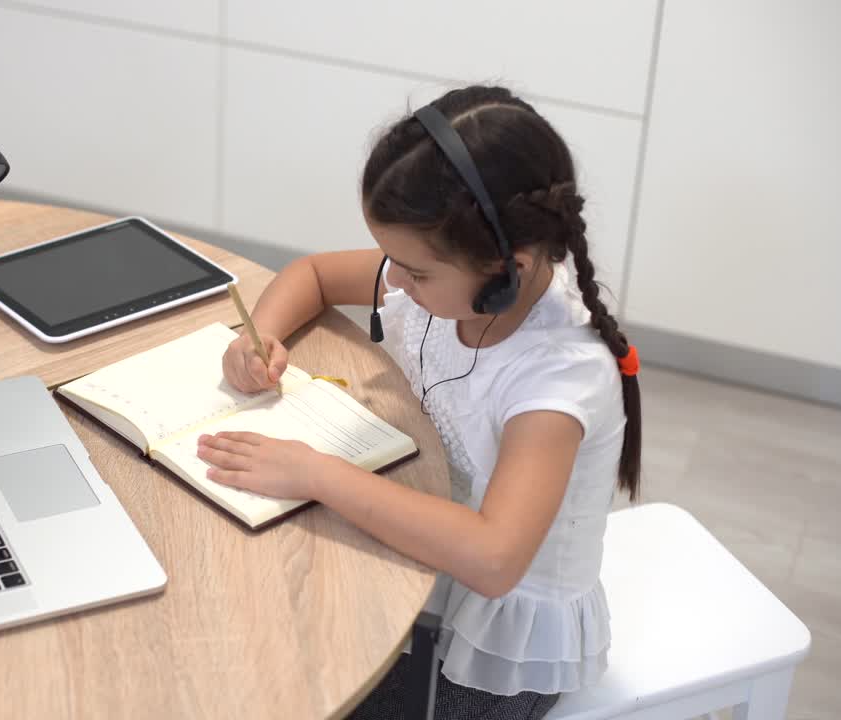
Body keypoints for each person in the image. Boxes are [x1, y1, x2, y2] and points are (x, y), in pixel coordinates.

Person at [195, 84, 642, 719]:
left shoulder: (557, 379)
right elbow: (314, 275)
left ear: (504, 267)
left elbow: (493, 559)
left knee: (299, 692)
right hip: (419, 555)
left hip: (489, 654)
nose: (392, 281)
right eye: (392, 261)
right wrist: (257, 334)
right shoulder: (450, 282)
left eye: (416, 272)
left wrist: (317, 472)